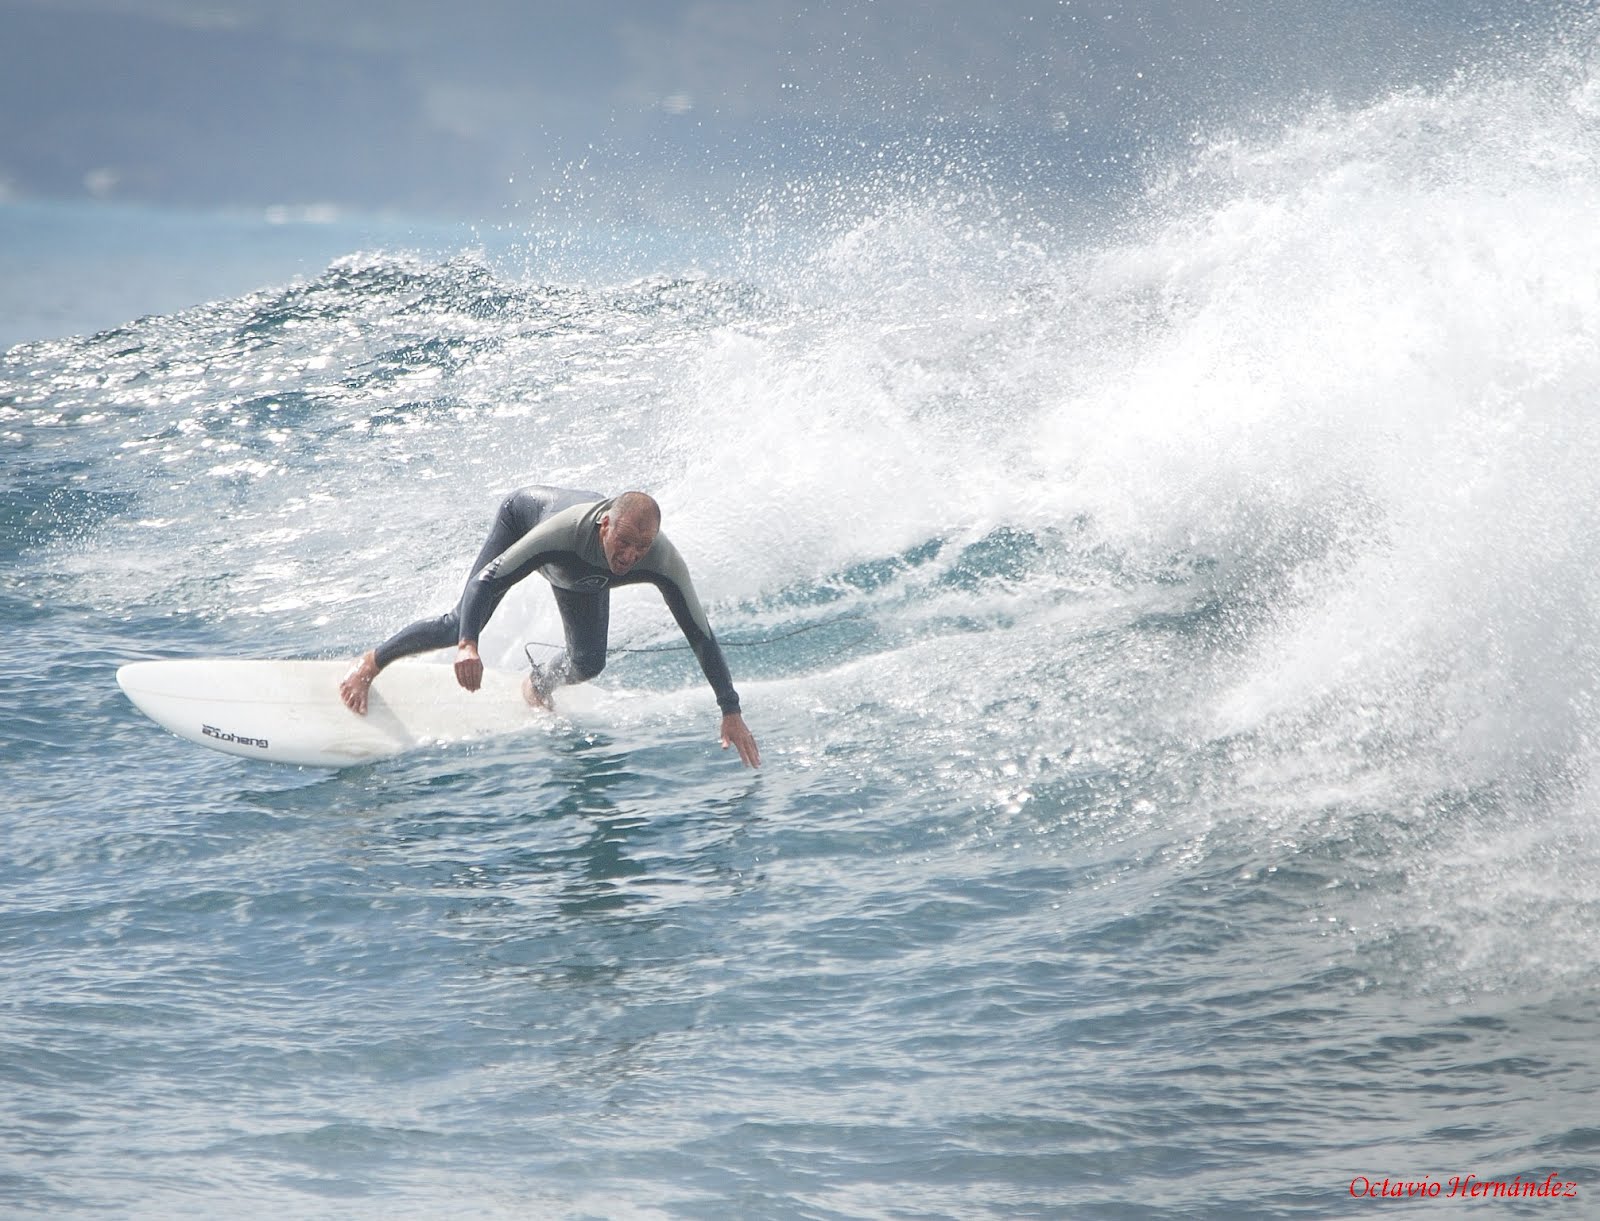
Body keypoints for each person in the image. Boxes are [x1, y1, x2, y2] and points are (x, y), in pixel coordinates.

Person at [339, 485, 761, 768]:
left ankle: (537, 686)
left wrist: (730, 709)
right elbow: (488, 579)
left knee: (590, 662)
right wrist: (468, 644)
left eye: (641, 547)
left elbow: (700, 634)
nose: (631, 555)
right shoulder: (565, 532)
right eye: (624, 542)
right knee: (458, 623)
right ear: (604, 526)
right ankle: (371, 663)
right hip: (525, 525)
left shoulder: (660, 559)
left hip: (579, 575)